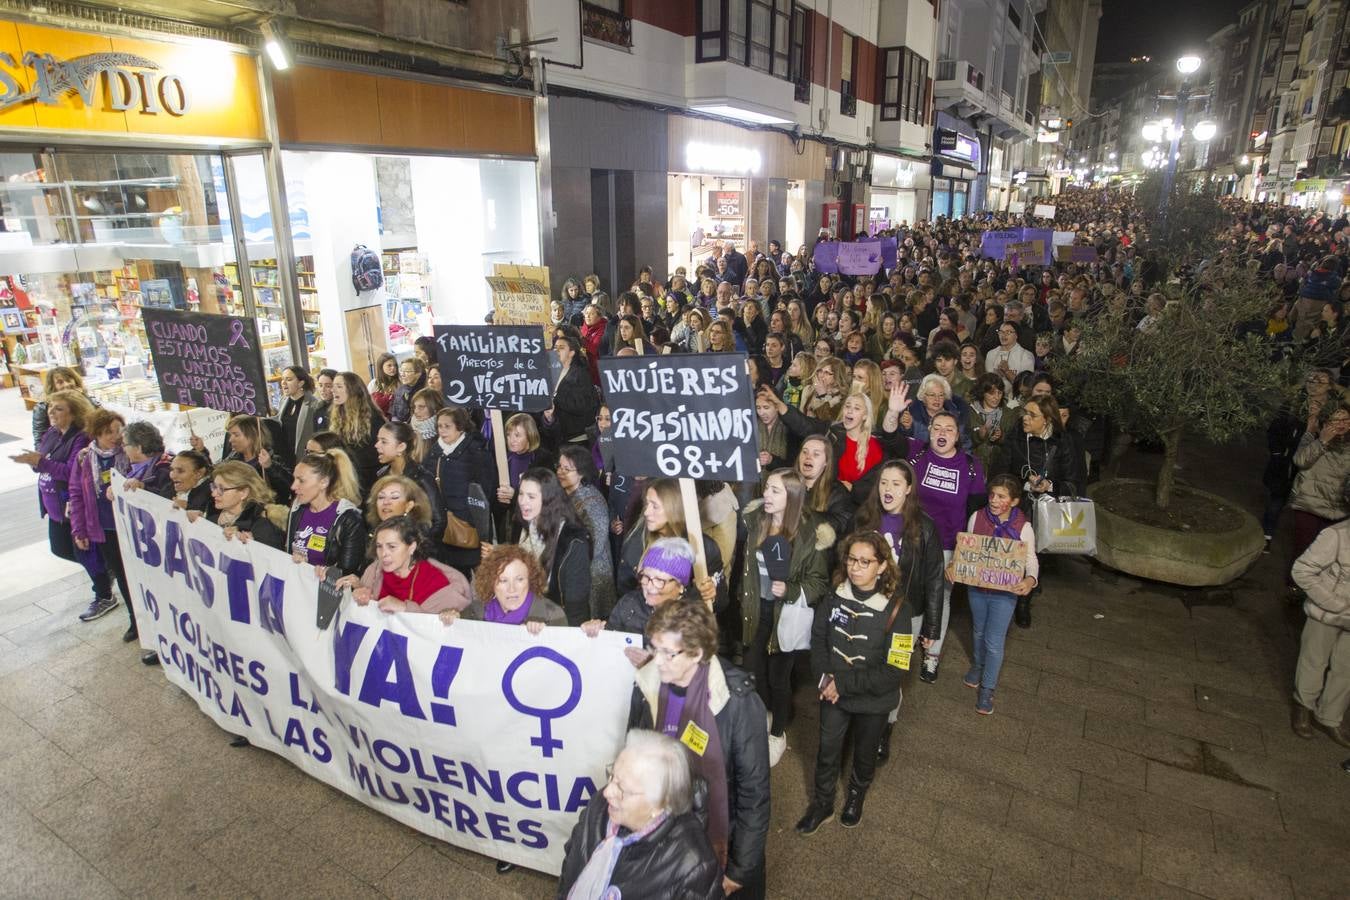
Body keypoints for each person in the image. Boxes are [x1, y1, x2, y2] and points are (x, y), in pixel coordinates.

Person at [628, 600, 770, 898]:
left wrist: (739, 869)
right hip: (668, 839)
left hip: (722, 840)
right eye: (655, 649)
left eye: (669, 653)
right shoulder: (649, 686)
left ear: (697, 653)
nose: (658, 660)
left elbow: (754, 794)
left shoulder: (737, 702)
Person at [796, 530, 914, 834]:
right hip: (832, 692)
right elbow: (819, 638)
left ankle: (856, 797)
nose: (855, 567)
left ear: (883, 566)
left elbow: (895, 670)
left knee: (864, 754)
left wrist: (843, 684)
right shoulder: (835, 593)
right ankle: (822, 804)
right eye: (851, 559)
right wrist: (823, 678)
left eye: (865, 562)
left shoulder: (899, 609)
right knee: (827, 750)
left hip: (873, 700)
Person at [881, 383, 987, 681]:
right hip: (909, 542)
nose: (942, 433)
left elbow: (977, 515)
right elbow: (890, 437)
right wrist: (892, 411)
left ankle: (932, 656)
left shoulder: (970, 466)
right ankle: (903, 652)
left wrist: (962, 558)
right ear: (928, 430)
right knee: (905, 600)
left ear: (958, 435)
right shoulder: (916, 453)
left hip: (948, 547)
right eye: (936, 427)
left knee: (939, 601)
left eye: (949, 429)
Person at [736, 469, 832, 767]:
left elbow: (818, 582)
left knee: (779, 679)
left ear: (791, 496)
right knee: (752, 672)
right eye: (766, 489)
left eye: (775, 491)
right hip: (756, 611)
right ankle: (763, 718)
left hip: (784, 617)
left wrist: (790, 589)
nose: (766, 495)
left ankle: (777, 734)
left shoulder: (810, 534)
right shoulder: (753, 521)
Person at [851, 459, 945, 761]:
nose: (887, 489)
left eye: (895, 484)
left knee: (892, 673)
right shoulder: (865, 519)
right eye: (883, 483)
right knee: (863, 666)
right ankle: (862, 722)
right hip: (866, 610)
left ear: (908, 489)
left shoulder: (924, 527)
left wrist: (931, 628)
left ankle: (884, 729)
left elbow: (933, 578)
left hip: (907, 616)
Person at [556, 730, 721, 899]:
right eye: (612, 776)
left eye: (622, 788)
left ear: (659, 804)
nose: (607, 792)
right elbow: (570, 865)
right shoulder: (599, 807)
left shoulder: (693, 865)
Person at [952, 475, 1039, 715]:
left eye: (1001, 496)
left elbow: (1030, 558)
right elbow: (967, 547)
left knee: (994, 641)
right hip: (977, 589)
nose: (993, 500)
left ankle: (988, 688)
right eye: (992, 495)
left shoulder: (1024, 527)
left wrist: (1030, 579)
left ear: (1014, 501)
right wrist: (954, 565)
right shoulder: (976, 517)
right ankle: (978, 667)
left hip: (1005, 594)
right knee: (978, 631)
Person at [1290, 474, 1350, 748]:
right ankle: (1304, 706)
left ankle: (1331, 717)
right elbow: (1302, 570)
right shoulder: (1336, 535)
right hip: (1326, 613)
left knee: (1346, 669)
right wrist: (1335, 603)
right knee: (1314, 660)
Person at [65, 408, 133, 634]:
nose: (115, 436)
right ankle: (134, 619)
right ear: (96, 434)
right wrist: (79, 530)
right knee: (122, 575)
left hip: (130, 524)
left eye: (117, 430)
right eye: (107, 433)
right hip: (105, 528)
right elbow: (76, 494)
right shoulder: (85, 458)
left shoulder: (130, 452)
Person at [617, 479, 722, 610]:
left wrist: (710, 592)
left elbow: (721, 602)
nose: (646, 512)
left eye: (654, 506)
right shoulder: (636, 540)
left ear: (674, 508)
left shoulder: (704, 548)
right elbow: (624, 591)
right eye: (647, 504)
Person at [505, 467, 592, 625]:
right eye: (521, 494)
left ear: (548, 500)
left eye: (531, 497)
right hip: (521, 616)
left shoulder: (573, 541)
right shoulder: (520, 524)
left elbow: (576, 605)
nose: (523, 501)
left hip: (557, 623)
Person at [343, 515, 472, 617]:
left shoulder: (437, 581)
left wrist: (405, 608)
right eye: (379, 546)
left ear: (412, 547)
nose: (383, 554)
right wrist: (359, 591)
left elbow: (442, 633)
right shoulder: (374, 571)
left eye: (392, 547)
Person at [427, 406, 495, 578]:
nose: (442, 430)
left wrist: (471, 520)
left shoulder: (476, 452)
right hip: (445, 528)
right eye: (439, 426)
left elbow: (486, 489)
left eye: (447, 426)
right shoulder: (434, 452)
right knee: (456, 577)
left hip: (470, 526)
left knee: (483, 576)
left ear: (460, 426)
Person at [556, 445, 617, 620]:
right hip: (573, 572)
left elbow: (595, 545)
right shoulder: (563, 494)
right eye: (559, 466)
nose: (560, 472)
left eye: (567, 469)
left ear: (582, 473)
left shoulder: (591, 501)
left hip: (592, 577)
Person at [286, 450, 368, 578]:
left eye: (301, 481)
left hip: (324, 594)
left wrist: (311, 568)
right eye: (294, 479)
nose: (293, 486)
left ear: (323, 482)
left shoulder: (348, 519)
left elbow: (347, 573)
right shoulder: (297, 509)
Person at [1288, 402, 1350, 569]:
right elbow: (1300, 461)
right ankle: (1295, 586)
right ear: (1326, 423)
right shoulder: (1314, 439)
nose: (1341, 423)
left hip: (1339, 510)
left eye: (1345, 419)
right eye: (1335, 420)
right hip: (1309, 504)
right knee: (1304, 548)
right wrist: (1322, 441)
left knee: (1327, 554)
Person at [461, 543, 568, 629]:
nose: (512, 589)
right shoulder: (474, 613)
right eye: (503, 581)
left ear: (530, 581)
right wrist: (448, 621)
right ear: (490, 583)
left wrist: (544, 636)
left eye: (519, 579)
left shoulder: (552, 615)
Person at [203, 414, 292, 503]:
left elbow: (289, 488)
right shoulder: (230, 462)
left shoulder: (274, 461)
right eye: (230, 435)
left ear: (252, 436)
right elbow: (211, 480)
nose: (230, 440)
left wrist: (270, 467)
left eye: (236, 435)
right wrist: (201, 451)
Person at [201, 460, 287, 550]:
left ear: (243, 493)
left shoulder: (263, 526)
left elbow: (271, 561)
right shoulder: (212, 516)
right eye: (214, 487)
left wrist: (252, 547)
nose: (214, 494)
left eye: (221, 489)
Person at [329, 372, 387, 496]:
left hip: (370, 483)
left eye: (339, 386)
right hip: (347, 480)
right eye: (333, 386)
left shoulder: (373, 418)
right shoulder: (337, 415)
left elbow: (377, 454)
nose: (333, 390)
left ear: (353, 390)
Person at [544, 334, 599, 444]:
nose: (557, 351)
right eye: (555, 348)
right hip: (559, 436)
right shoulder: (551, 373)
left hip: (577, 439)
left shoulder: (580, 374)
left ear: (572, 353)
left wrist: (555, 397)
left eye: (561, 348)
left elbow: (581, 405)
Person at [30, 365, 98, 446]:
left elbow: (99, 420)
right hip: (60, 449)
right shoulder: (42, 408)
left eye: (69, 380)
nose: (67, 384)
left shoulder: (85, 398)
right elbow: (39, 440)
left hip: (86, 443)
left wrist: (83, 397)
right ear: (53, 387)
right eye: (60, 382)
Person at [275, 366, 322, 468]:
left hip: (304, 460)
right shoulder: (283, 401)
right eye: (283, 379)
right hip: (285, 459)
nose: (283, 383)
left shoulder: (314, 404)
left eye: (289, 379)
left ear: (301, 383)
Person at [365, 474, 435, 535]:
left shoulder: (418, 537)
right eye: (381, 497)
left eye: (394, 497)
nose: (385, 502)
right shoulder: (373, 533)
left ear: (409, 506)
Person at [121, 421, 174, 498]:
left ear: (138, 448)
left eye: (124, 445)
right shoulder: (129, 467)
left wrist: (143, 487)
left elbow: (166, 500)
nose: (123, 449)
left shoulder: (166, 469)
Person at [985, 320, 1035, 392]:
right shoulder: (991, 354)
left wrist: (1007, 371)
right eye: (1001, 332)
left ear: (1017, 335)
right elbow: (988, 382)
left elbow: (1025, 387)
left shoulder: (1026, 356)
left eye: (1008, 332)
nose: (1003, 335)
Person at [168, 449, 213, 513]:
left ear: (198, 474)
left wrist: (188, 508)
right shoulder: (171, 485)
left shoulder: (212, 496)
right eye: (171, 469)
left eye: (180, 471)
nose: (172, 476)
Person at [389, 356, 427, 424]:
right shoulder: (399, 390)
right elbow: (393, 414)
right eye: (401, 371)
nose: (402, 374)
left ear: (418, 374)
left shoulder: (425, 393)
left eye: (407, 371)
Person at [368, 351, 399, 417]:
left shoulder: (400, 382)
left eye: (395, 365)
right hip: (380, 417)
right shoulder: (374, 383)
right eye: (389, 365)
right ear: (381, 367)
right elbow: (368, 404)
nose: (393, 368)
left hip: (397, 417)